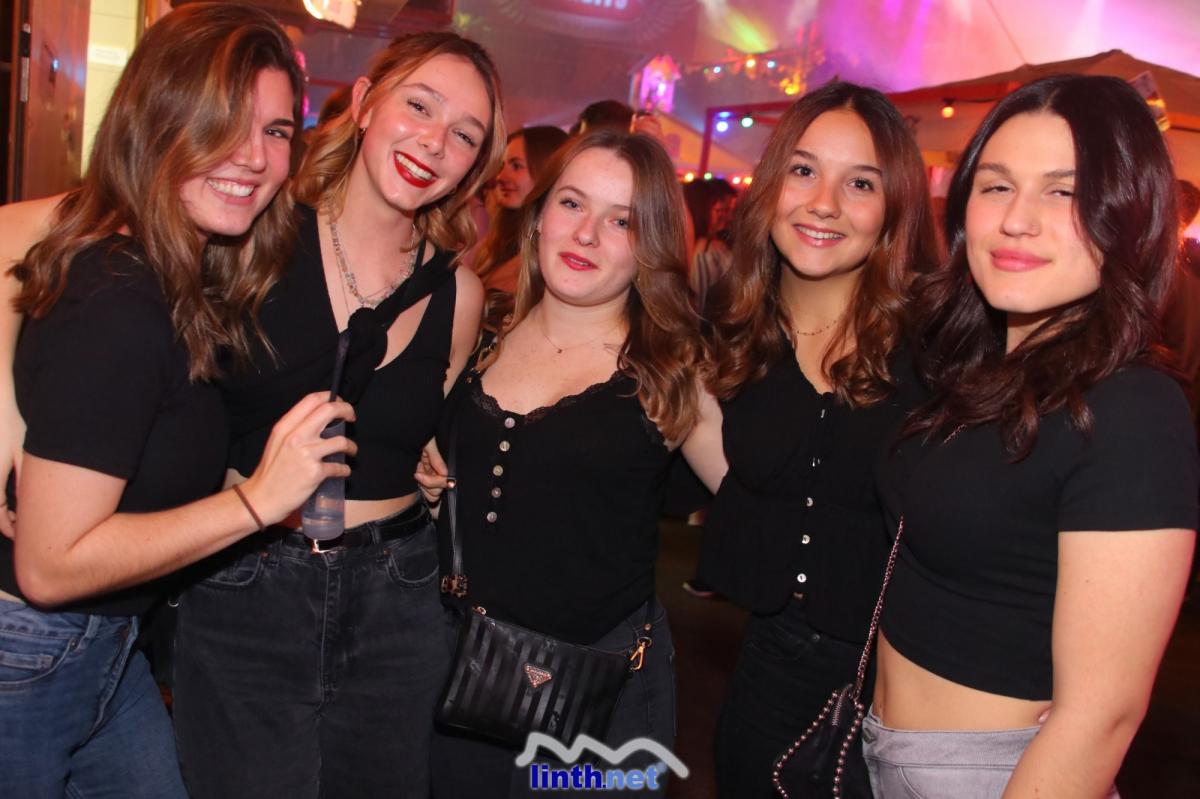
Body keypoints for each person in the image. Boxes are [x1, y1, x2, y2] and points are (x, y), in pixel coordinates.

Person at [0, 4, 353, 796]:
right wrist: (257, 502)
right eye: (221, 120)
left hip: (103, 647)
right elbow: (49, 566)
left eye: (275, 130)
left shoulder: (173, 271)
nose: (253, 157)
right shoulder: (122, 299)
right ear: (157, 118)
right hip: (27, 652)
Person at [170, 30, 503, 799]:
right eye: (419, 106)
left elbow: (429, 439)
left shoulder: (460, 295)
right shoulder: (252, 236)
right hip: (245, 577)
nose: (435, 141)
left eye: (465, 135)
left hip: (399, 594)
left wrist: (439, 470)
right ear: (364, 103)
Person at [867, 74, 1198, 798]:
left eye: (1064, 192)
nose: (1018, 219)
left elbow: (1102, 717)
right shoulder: (971, 364)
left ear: (1129, 215)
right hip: (887, 751)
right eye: (996, 186)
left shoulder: (1133, 410)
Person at [417, 129, 726, 798]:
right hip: (464, 678)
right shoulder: (485, 327)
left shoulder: (669, 371)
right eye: (572, 203)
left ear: (650, 247)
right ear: (539, 215)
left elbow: (758, 500)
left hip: (601, 704)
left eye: (621, 221)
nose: (586, 233)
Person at [697, 81, 938, 798]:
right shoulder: (731, 336)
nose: (823, 202)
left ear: (895, 206)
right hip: (766, 682)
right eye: (803, 170)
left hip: (912, 704)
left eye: (860, 182)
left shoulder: (940, 348)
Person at [475, 126, 569, 298]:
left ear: (546, 170)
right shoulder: (501, 241)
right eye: (502, 166)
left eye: (516, 166)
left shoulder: (553, 256)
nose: (500, 177)